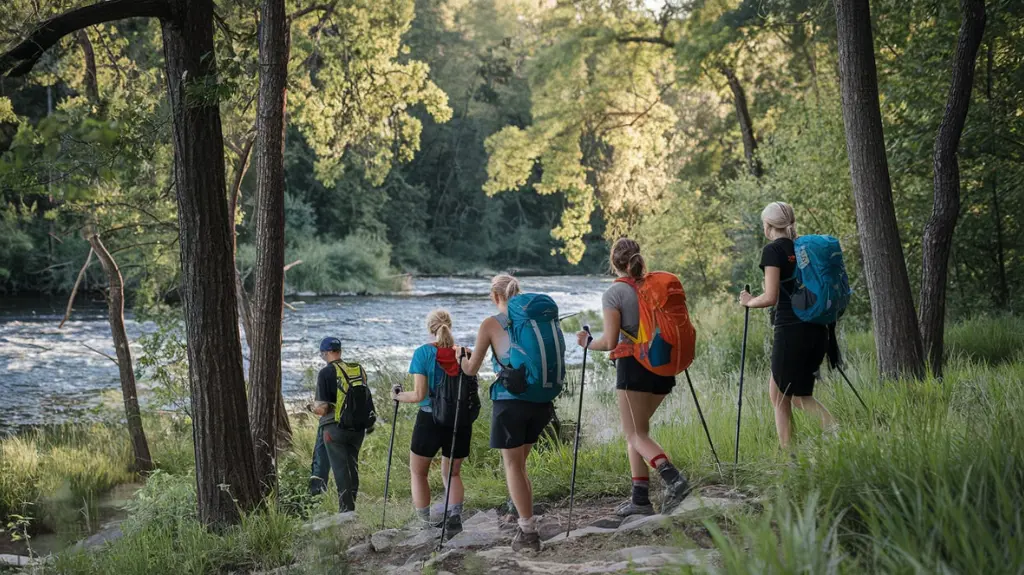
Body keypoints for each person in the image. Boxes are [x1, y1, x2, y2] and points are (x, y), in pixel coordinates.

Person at [576, 238, 691, 517]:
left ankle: (674, 479)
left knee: (634, 433)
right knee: (638, 434)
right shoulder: (654, 285)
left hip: (634, 367)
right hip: (662, 366)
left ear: (613, 262)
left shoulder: (615, 293)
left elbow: (610, 341)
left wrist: (587, 342)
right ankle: (640, 499)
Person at [461, 274, 552, 552]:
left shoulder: (490, 323)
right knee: (520, 465)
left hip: (511, 402)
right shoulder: (534, 320)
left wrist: (461, 358)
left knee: (513, 466)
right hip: (541, 402)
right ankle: (520, 513)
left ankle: (528, 532)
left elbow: (472, 369)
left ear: (494, 296)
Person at [739, 201, 835, 449]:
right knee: (782, 395)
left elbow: (771, 297)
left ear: (768, 225)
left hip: (791, 331)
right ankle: (795, 455)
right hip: (816, 329)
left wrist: (749, 302)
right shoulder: (804, 248)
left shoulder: (774, 251)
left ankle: (825, 436)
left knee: (792, 398)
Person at [392, 309, 471, 537]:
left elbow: (418, 395)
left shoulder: (423, 354)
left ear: (430, 328)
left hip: (430, 418)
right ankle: (455, 517)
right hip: (459, 420)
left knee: (418, 473)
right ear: (450, 326)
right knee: (452, 473)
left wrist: (397, 396)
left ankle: (423, 524)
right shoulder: (464, 353)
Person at [311, 336, 371, 512]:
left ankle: (346, 512)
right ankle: (351, 505)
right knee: (352, 465)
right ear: (340, 351)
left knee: (340, 469)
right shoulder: (356, 369)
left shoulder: (325, 373)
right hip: (357, 427)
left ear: (326, 353)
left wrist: (310, 408)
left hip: (334, 429)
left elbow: (322, 408)